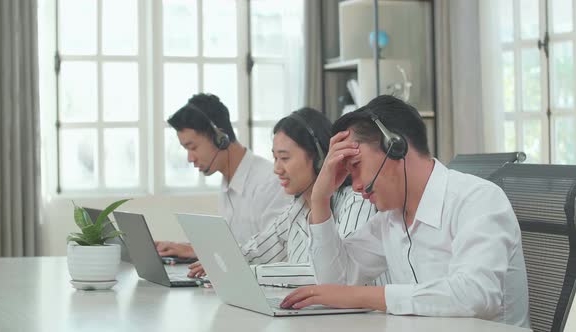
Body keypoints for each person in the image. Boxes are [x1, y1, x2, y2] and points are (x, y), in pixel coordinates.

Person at [280, 95, 530, 328]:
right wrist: (321, 199)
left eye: (356, 166)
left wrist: (362, 296)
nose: (355, 185)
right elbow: (335, 282)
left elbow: (475, 295)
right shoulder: (389, 219)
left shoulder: (478, 200)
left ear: (395, 146)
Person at [187, 108, 376, 281]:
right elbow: (257, 250)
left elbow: (328, 273)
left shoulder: (356, 201)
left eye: (284, 158)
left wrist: (246, 273)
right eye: (275, 158)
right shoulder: (297, 210)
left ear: (319, 159)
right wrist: (221, 263)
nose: (276, 169)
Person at [155, 93, 290, 259]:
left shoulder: (270, 181)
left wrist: (199, 252)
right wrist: (185, 248)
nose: (190, 158)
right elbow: (235, 245)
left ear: (220, 138)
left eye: (193, 147)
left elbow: (275, 252)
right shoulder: (228, 182)